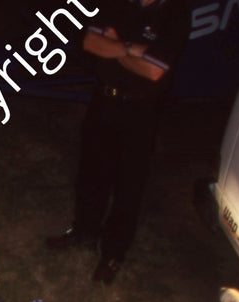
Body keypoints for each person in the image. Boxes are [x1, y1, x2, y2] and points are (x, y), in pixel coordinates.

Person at [43, 0, 190, 284]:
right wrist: (133, 49)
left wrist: (115, 46)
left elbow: (154, 71)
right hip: (104, 100)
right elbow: (89, 42)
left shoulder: (175, 13)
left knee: (128, 187)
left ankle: (113, 254)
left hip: (141, 110)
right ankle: (84, 233)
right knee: (90, 174)